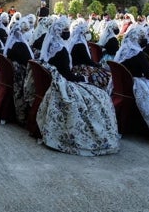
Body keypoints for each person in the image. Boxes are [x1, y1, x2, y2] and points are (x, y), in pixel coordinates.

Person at [35, 15, 120, 156]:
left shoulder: (53, 45)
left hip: (60, 79)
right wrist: (82, 78)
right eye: (65, 30)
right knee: (100, 96)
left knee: (97, 93)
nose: (68, 32)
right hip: (64, 83)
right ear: (58, 31)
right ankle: (95, 134)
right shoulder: (60, 50)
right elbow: (67, 74)